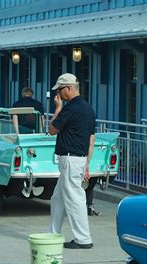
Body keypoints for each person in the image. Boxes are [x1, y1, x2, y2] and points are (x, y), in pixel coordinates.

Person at [48, 73, 96, 249]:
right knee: (58, 198)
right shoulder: (88, 108)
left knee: (75, 199)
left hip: (70, 158)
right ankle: (53, 233)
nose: (59, 94)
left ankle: (83, 239)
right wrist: (87, 164)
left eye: (60, 90)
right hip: (79, 159)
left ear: (68, 88)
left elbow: (52, 129)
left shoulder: (70, 108)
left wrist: (58, 108)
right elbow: (92, 139)